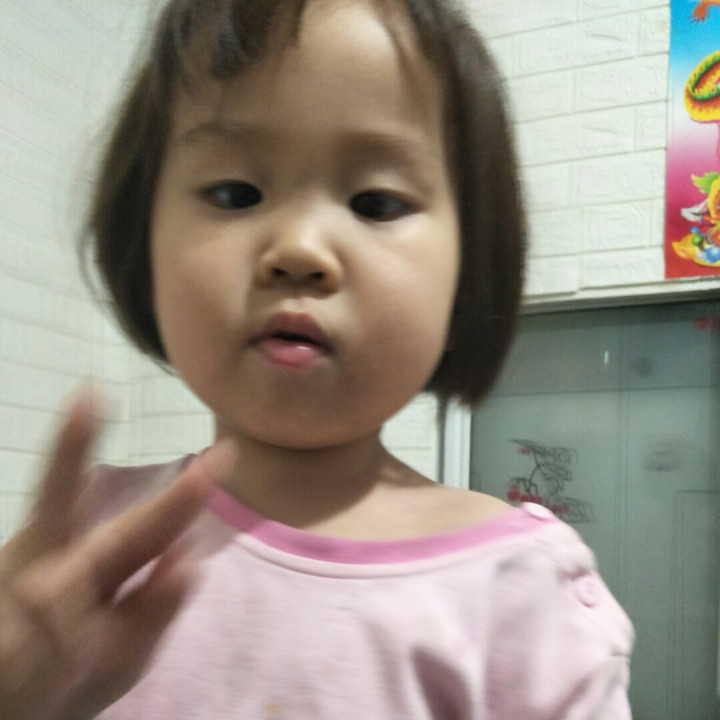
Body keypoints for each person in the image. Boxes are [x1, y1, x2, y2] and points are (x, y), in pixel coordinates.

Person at [0, 0, 634, 718]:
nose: (299, 248)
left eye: (376, 203)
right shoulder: (88, 550)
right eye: (235, 194)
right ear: (144, 244)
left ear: (468, 274)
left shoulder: (518, 593)